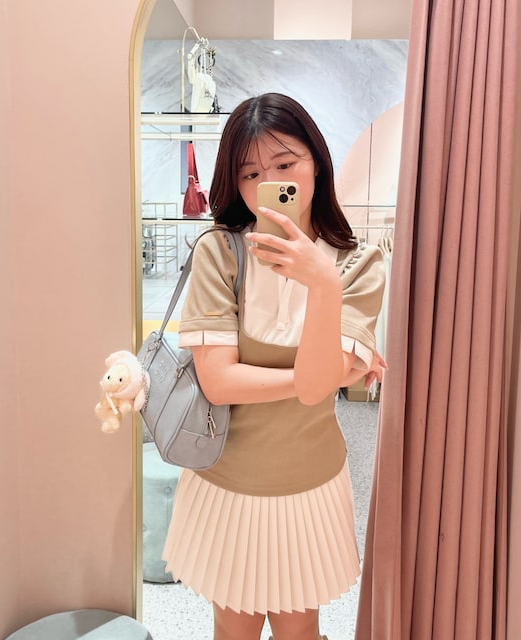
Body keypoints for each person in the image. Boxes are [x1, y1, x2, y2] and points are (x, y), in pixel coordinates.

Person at [162, 93, 387, 640]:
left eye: (286, 164)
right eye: (251, 173)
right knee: (233, 627)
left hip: (311, 485)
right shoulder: (220, 252)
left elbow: (310, 389)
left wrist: (324, 284)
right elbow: (220, 382)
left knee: (300, 629)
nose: (271, 182)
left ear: (317, 162)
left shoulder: (357, 265)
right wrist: (331, 374)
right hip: (225, 482)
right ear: (236, 184)